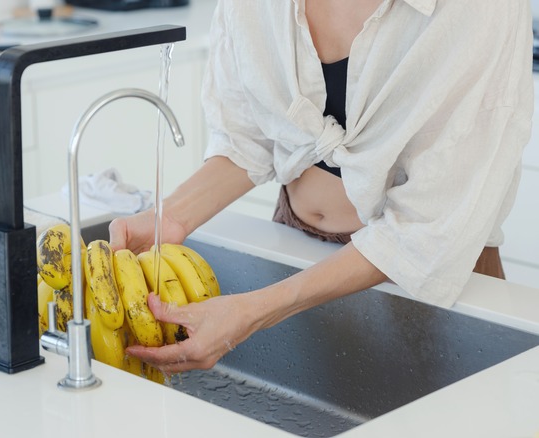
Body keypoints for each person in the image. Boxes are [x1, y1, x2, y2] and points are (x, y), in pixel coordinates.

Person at [108, 0, 534, 374]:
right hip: (296, 250)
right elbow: (249, 136)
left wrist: (253, 311)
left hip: (436, 280)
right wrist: (171, 217)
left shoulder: (481, 9)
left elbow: (425, 232)